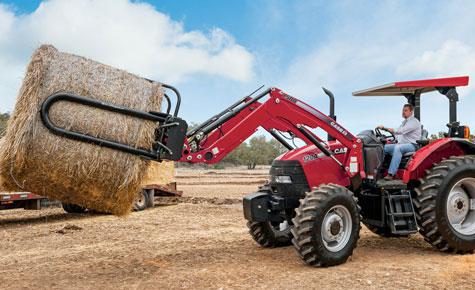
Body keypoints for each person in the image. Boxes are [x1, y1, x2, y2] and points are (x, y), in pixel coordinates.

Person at [377, 104, 421, 180]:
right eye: (403, 110)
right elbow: (397, 135)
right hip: (402, 144)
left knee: (398, 148)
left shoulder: (414, 122)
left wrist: (385, 128)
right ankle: (378, 169)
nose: (403, 112)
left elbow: (400, 131)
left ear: (411, 112)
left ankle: (391, 174)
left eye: (406, 110)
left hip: (413, 145)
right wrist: (389, 139)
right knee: (382, 147)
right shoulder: (404, 123)